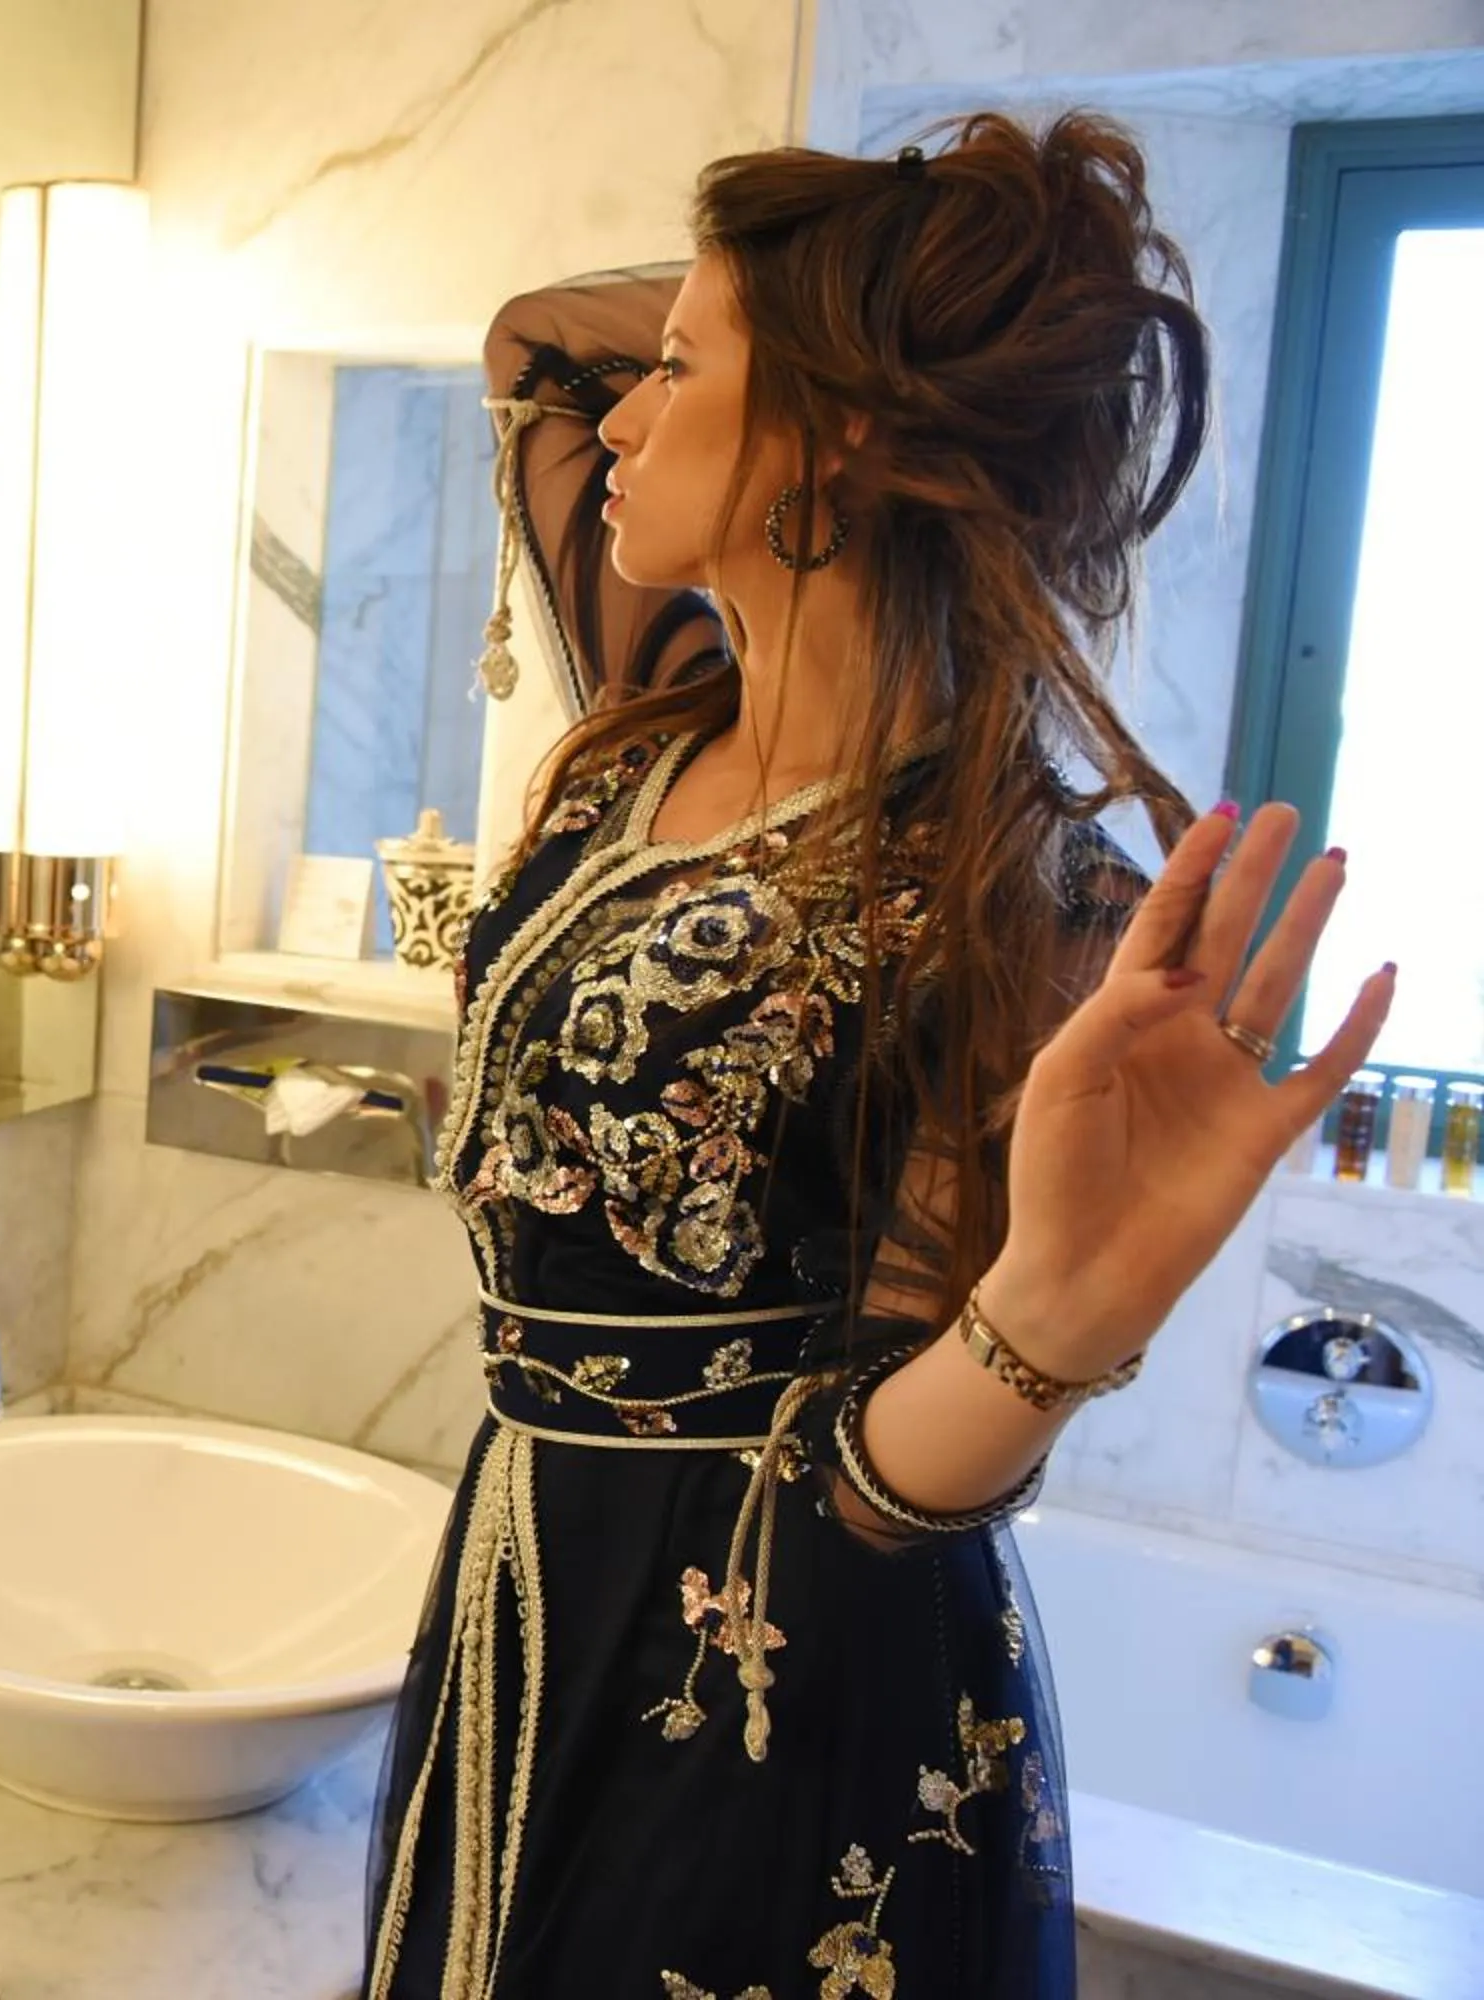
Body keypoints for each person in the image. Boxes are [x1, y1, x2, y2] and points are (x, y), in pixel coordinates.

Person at [366, 112, 1392, 1998]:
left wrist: (1056, 1321)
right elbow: (537, 340)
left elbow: (877, 1478)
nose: (618, 423)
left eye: (681, 374)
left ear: (832, 438)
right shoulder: (649, 725)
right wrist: (874, 299)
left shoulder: (1010, 883)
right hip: (521, 1573)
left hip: (772, 1673)